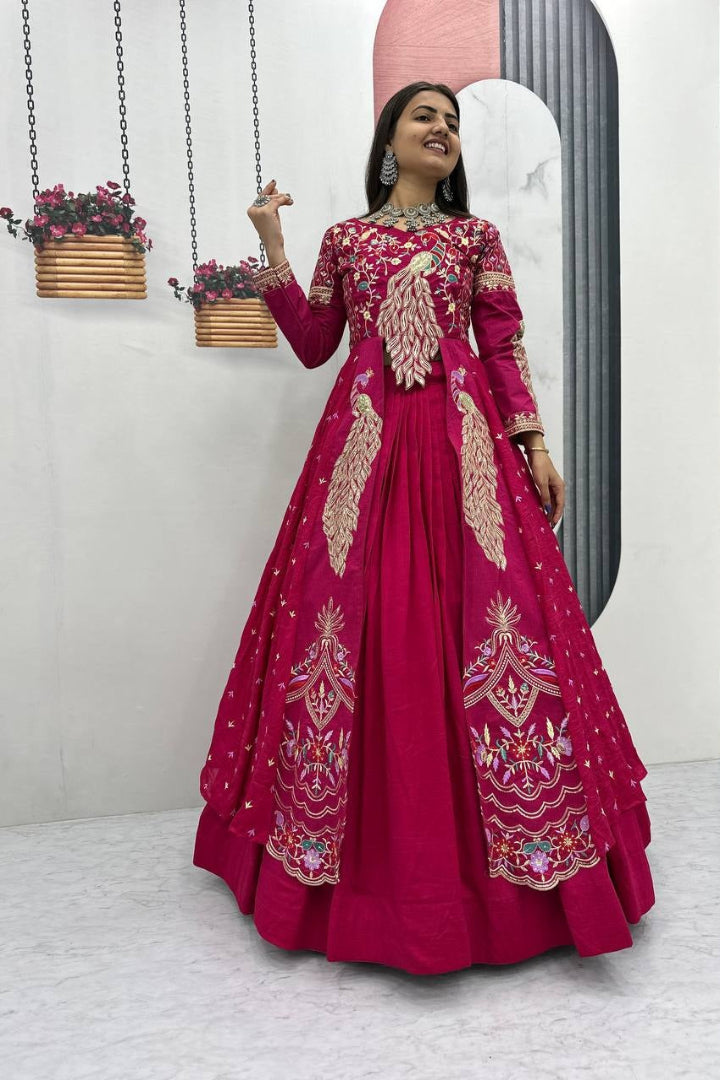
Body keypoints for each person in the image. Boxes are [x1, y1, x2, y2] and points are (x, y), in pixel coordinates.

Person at [193, 80, 655, 976]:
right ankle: (357, 868)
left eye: (452, 122)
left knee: (494, 621)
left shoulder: (474, 238)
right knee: (349, 625)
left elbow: (501, 342)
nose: (441, 130)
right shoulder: (346, 240)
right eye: (424, 117)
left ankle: (525, 875)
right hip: (364, 451)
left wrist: (534, 443)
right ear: (390, 141)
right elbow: (315, 343)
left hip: (461, 445)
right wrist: (273, 247)